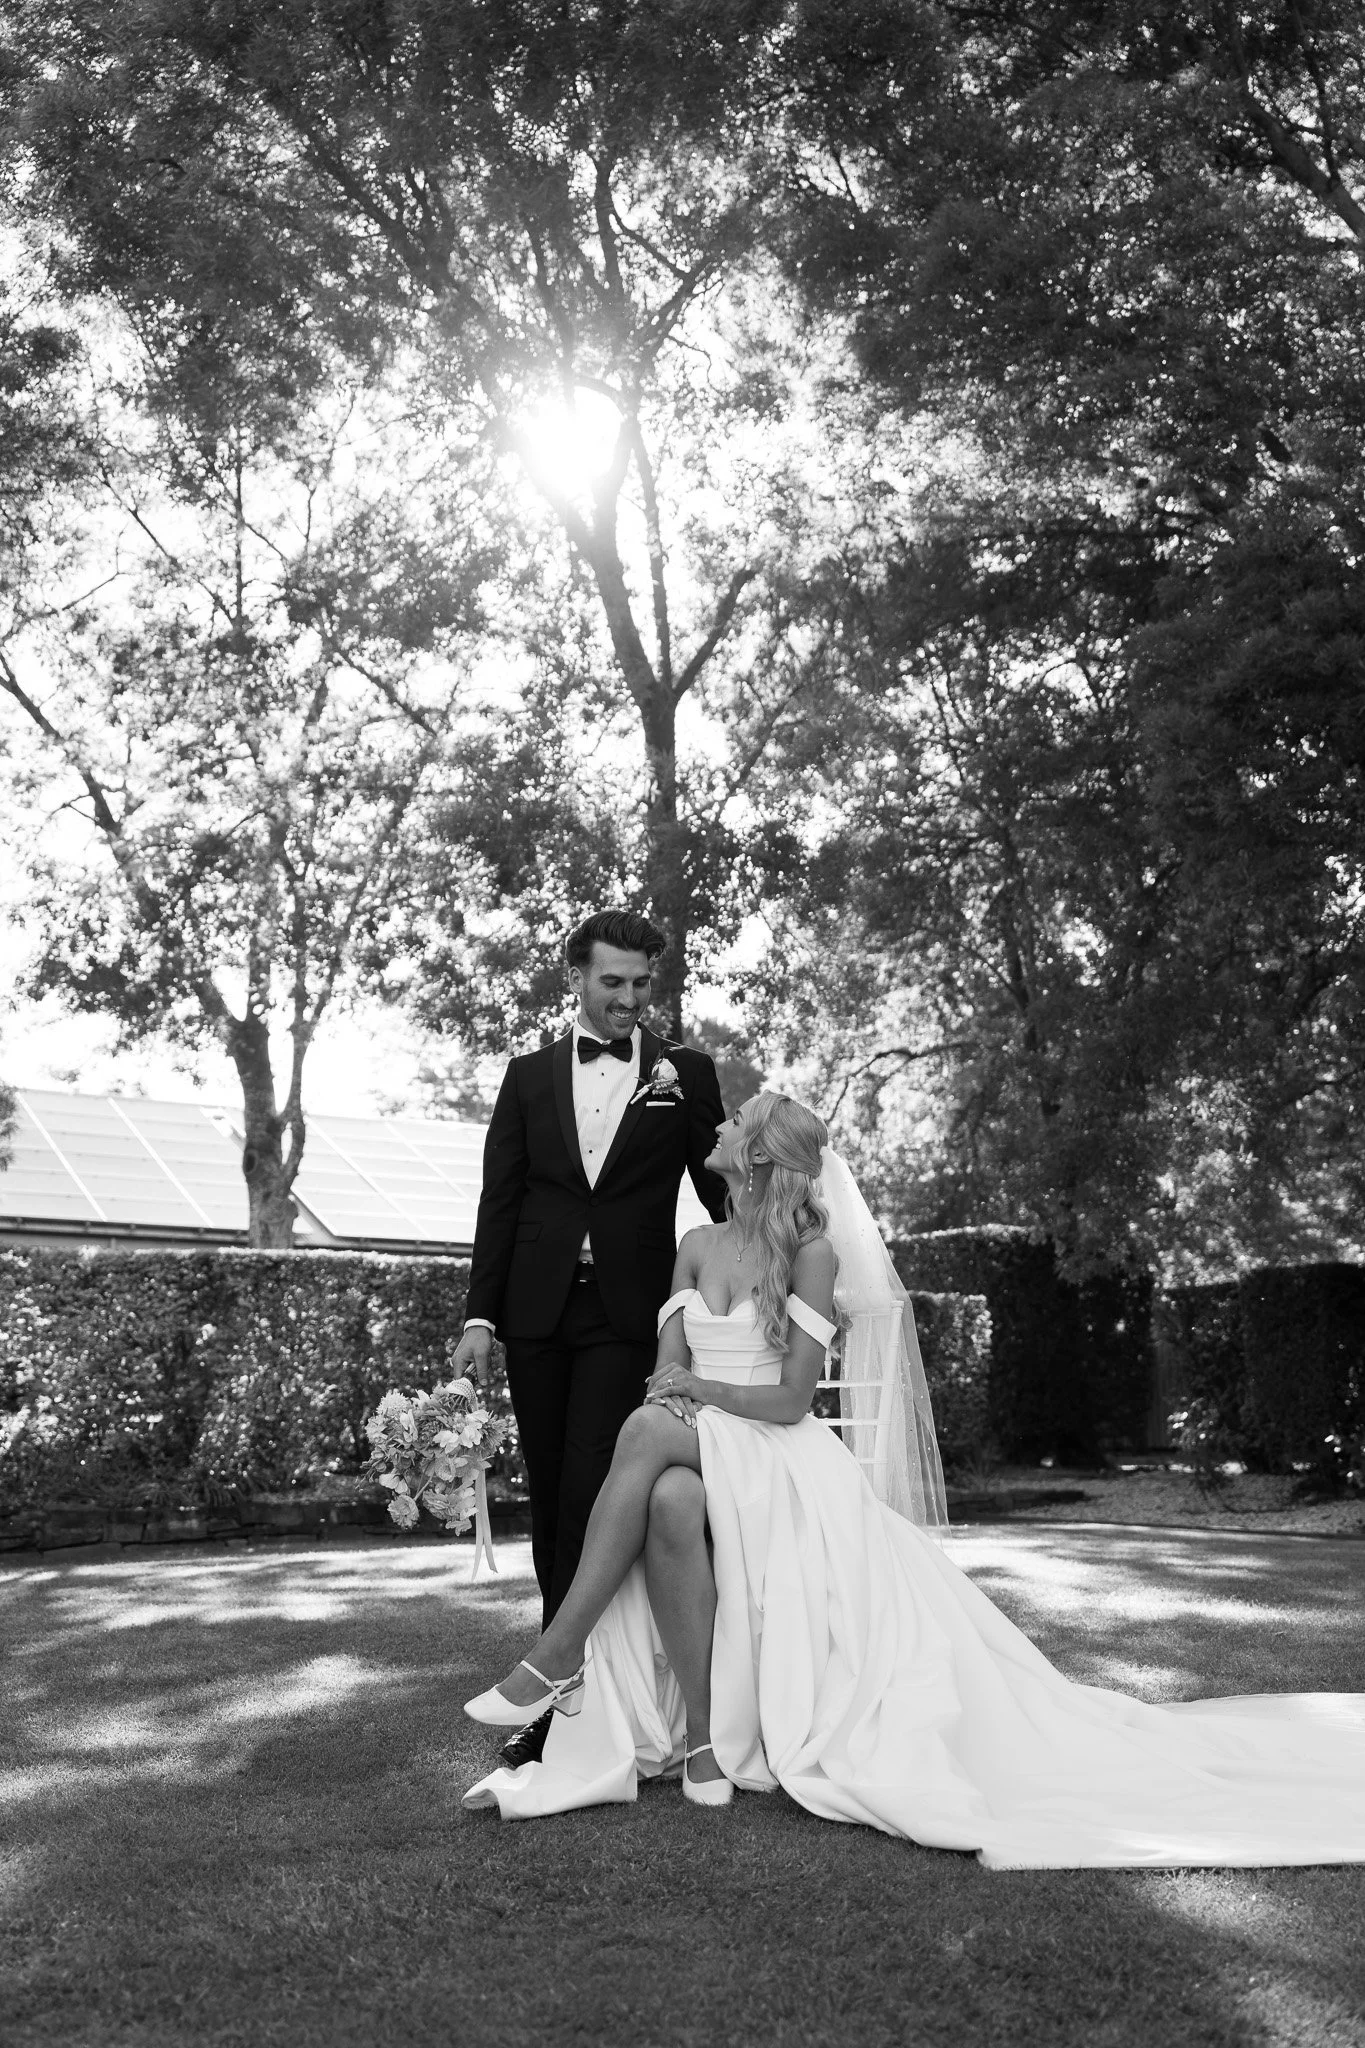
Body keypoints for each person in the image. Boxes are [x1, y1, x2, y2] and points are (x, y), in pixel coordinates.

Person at [463, 1091, 1365, 1869]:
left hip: (777, 1453)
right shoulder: (695, 1244)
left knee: (642, 1433)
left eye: (736, 1119)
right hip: (695, 1437)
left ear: (758, 1156)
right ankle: (700, 1742)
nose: (721, 1120)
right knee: (667, 1491)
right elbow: (667, 1363)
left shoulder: (808, 1253)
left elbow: (785, 1401)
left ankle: (558, 1654)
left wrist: (690, 1394)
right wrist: (681, 1392)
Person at [451, 908, 727, 1767]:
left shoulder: (686, 1073)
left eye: (641, 984)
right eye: (611, 982)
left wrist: (774, 1254)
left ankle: (553, 1693)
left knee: (585, 1494)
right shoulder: (527, 1075)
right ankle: (572, 1680)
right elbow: (500, 1202)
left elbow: (721, 1191)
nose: (627, 1000)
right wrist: (479, 1315)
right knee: (549, 1503)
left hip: (625, 1314)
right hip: (534, 1312)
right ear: (575, 977)